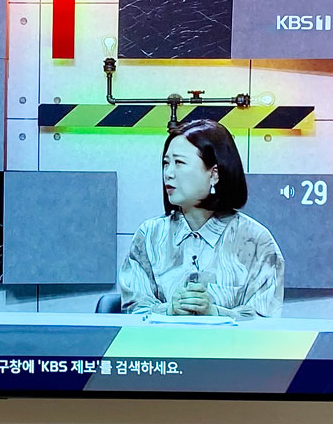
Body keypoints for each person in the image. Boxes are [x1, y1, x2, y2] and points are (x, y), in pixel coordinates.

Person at [119, 118, 284, 318]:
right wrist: (169, 310)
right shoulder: (150, 235)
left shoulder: (256, 241)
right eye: (166, 163)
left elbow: (265, 320)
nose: (168, 173)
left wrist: (215, 313)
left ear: (214, 174)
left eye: (179, 163)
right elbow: (134, 311)